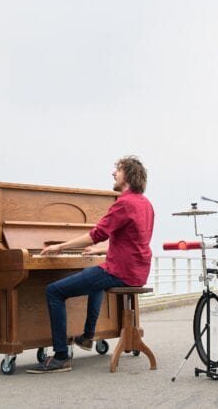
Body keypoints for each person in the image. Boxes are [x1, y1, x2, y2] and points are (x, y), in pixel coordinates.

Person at [27, 156, 154, 374]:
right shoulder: (145, 204)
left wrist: (60, 247)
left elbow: (96, 235)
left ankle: (60, 357)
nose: (113, 173)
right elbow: (134, 240)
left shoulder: (124, 203)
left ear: (128, 175)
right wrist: (102, 251)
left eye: (118, 170)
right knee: (93, 276)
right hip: (137, 271)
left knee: (54, 291)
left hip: (120, 272)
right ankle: (87, 336)